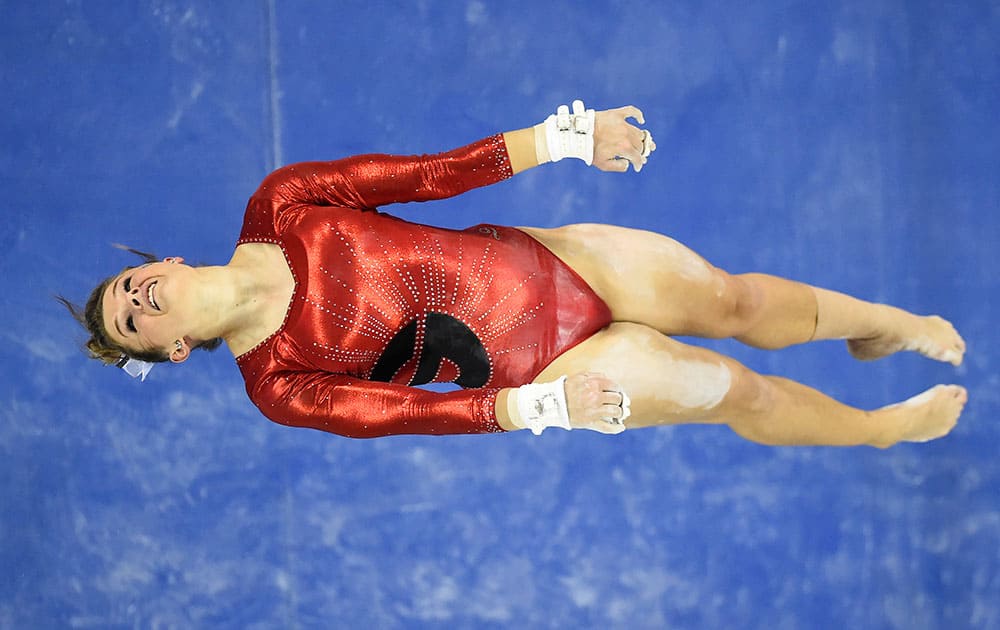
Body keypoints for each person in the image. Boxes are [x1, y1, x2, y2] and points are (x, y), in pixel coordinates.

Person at [61, 101, 967, 447]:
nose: (134, 300)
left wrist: (566, 138)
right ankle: (882, 429)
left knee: (737, 299)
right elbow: (408, 413)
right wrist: (532, 409)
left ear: (167, 264)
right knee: (735, 390)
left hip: (549, 260)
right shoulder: (277, 382)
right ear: (175, 349)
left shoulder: (282, 202)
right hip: (546, 373)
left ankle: (879, 322)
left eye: (128, 287)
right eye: (130, 323)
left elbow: (425, 176)